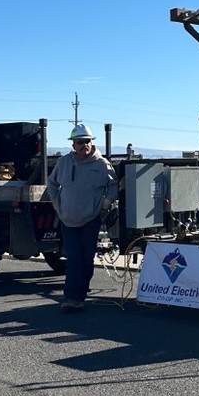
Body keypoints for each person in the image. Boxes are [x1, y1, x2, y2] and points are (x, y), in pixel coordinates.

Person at [46, 123, 117, 312]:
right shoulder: (64, 163)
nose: (83, 146)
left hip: (90, 220)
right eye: (79, 142)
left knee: (86, 260)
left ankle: (81, 293)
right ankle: (72, 297)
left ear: (91, 143)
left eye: (86, 142)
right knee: (73, 259)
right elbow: (51, 183)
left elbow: (113, 186)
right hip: (67, 219)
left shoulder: (101, 164)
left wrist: (105, 205)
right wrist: (56, 204)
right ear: (73, 145)